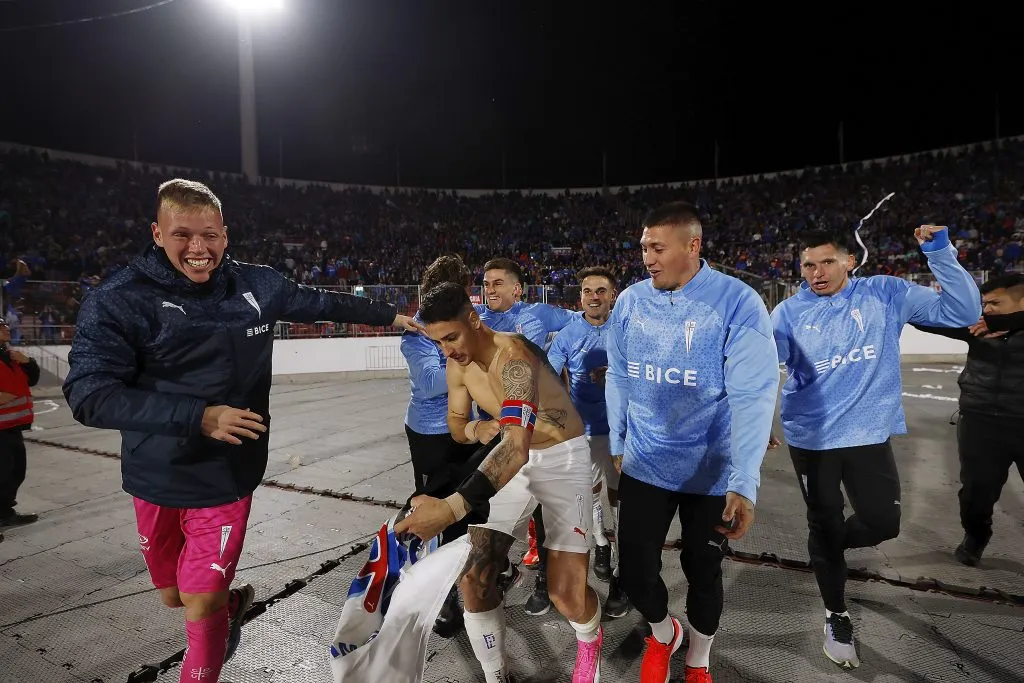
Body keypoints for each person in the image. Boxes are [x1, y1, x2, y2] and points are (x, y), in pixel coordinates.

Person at [62, 179, 418, 683]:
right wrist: (198, 416)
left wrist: (391, 315)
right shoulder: (119, 299)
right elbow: (88, 394)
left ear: (224, 234)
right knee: (174, 594)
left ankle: (207, 648)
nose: (198, 249)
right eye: (182, 235)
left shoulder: (259, 286)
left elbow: (320, 303)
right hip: (155, 471)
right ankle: (232, 604)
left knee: (198, 601)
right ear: (157, 234)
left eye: (209, 235)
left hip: (228, 473)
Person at [771, 226, 981, 670]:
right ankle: (836, 614)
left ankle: (827, 550)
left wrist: (939, 252)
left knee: (884, 523)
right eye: (808, 264)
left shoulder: (885, 293)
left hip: (869, 436)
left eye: (827, 261)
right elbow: (755, 363)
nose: (816, 272)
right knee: (823, 521)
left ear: (850, 260)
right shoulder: (788, 312)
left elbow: (964, 309)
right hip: (813, 440)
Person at [605, 201, 780, 683]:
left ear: (693, 246)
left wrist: (744, 483)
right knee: (635, 573)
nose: (648, 259)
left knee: (703, 569)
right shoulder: (631, 301)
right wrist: (619, 437)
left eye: (658, 248)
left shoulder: (738, 303)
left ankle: (699, 657)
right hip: (645, 462)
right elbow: (618, 373)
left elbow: (753, 395)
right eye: (644, 248)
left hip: (712, 471)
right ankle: (665, 635)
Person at [396, 282, 604, 683]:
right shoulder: (457, 363)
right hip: (512, 453)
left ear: (473, 320)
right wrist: (478, 427)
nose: (448, 351)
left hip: (561, 455)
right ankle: (496, 676)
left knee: (566, 594)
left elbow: (517, 446)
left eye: (452, 337)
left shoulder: (513, 356)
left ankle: (589, 641)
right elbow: (456, 426)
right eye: (439, 343)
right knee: (474, 578)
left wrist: (451, 508)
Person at [477, 256, 575, 610]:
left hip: (537, 429)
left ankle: (545, 582)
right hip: (495, 430)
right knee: (486, 507)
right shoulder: (476, 322)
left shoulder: (541, 314)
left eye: (498, 283)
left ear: (516, 289)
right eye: (486, 283)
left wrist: (564, 364)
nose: (490, 289)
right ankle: (502, 571)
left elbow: (580, 323)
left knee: (542, 509)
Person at [400, 254, 490, 637]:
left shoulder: (469, 319)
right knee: (435, 505)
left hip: (467, 429)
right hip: (430, 434)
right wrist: (468, 359)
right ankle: (442, 592)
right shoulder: (417, 331)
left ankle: (480, 571)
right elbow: (430, 382)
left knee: (472, 502)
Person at [912, 273, 1024, 567]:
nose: (986, 311)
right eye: (984, 304)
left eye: (995, 303)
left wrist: (1008, 323)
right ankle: (976, 536)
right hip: (980, 423)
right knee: (975, 494)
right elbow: (923, 318)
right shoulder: (976, 326)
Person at [546, 265, 629, 618]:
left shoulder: (625, 330)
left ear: (612, 295)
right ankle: (600, 545)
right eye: (587, 291)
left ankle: (623, 573)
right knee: (591, 494)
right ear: (580, 296)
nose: (593, 297)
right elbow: (548, 376)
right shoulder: (568, 333)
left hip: (624, 431)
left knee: (621, 498)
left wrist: (617, 374)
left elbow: (644, 369)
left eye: (601, 291)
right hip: (585, 431)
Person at [0, 316, 41, 544]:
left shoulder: (10, 355)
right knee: (3, 473)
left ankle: (5, 513)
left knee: (15, 472)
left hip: (13, 426)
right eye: (1, 326)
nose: (6, 328)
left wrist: (27, 361)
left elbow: (32, 380)